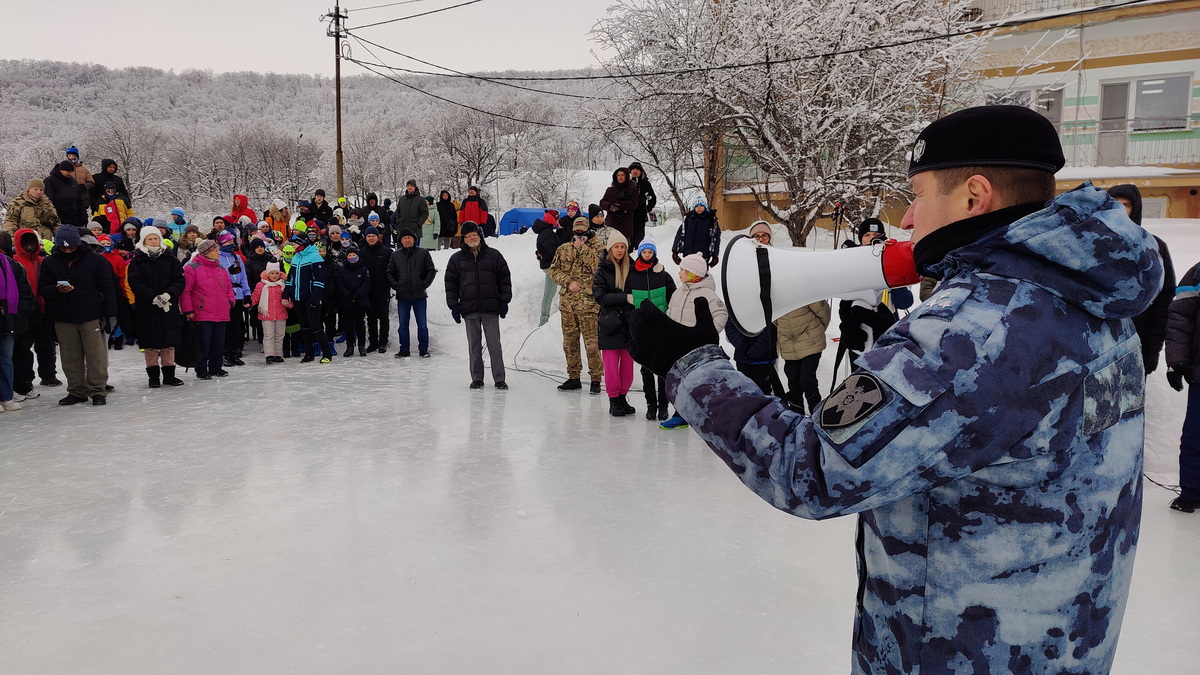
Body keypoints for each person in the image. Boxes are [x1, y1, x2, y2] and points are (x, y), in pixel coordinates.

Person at [626, 105, 1163, 674]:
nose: (907, 217)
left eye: (918, 193)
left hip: (959, 651)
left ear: (972, 197)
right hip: (1066, 636)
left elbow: (806, 468)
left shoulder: (974, 331)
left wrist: (688, 364)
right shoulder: (1093, 293)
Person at [38, 225, 117, 405]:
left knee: (96, 356)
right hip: (63, 316)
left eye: (71, 247)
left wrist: (110, 314)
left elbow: (108, 288)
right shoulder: (50, 262)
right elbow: (43, 289)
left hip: (91, 314)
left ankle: (98, 390)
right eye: (63, 247)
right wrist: (57, 290)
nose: (67, 250)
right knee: (70, 356)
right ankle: (76, 391)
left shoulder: (96, 261)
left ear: (78, 244)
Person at [1109, 184, 1175, 375]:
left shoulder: (1154, 246)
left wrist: (1153, 348)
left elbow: (1165, 298)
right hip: (1097, 345)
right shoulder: (1091, 242)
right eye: (1115, 204)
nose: (1121, 209)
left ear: (1135, 208)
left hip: (1137, 342)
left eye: (1127, 204)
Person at [659, 253, 727, 430]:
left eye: (683, 270)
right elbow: (670, 312)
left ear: (693, 273)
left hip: (698, 350)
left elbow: (721, 315)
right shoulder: (679, 292)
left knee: (699, 382)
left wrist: (706, 335)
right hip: (678, 345)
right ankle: (680, 414)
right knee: (679, 381)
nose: (679, 273)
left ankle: (707, 415)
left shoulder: (707, 294)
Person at [445, 222, 511, 389]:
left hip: (490, 307)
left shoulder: (494, 255)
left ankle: (499, 378)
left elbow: (504, 279)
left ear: (480, 236)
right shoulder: (456, 259)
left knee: (494, 345)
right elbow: (450, 284)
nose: (472, 238)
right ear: (464, 239)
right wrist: (454, 306)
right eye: (468, 236)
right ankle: (477, 378)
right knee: (474, 345)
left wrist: (504, 300)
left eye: (474, 234)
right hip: (469, 309)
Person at [548, 217, 604, 394]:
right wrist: (568, 281)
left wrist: (584, 249)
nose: (579, 234)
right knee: (570, 343)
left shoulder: (598, 248)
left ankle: (596, 379)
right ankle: (574, 377)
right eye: (576, 231)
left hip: (588, 306)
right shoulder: (563, 249)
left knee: (592, 344)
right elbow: (553, 271)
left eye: (583, 231)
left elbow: (599, 268)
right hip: (568, 305)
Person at [127, 226, 186, 388]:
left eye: (156, 238)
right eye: (150, 239)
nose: (153, 241)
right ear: (144, 241)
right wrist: (153, 297)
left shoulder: (170, 258)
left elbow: (179, 280)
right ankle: (153, 377)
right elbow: (135, 281)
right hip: (147, 308)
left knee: (168, 342)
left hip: (168, 306)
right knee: (150, 344)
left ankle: (169, 376)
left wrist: (168, 295)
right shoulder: (137, 260)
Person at [627, 241, 675, 420]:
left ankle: (664, 404)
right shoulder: (632, 276)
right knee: (646, 369)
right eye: (644, 252)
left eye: (650, 252)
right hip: (641, 328)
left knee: (662, 368)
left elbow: (674, 299)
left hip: (661, 327)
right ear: (640, 253)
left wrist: (670, 320)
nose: (647, 255)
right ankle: (651, 405)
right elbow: (627, 301)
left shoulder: (663, 275)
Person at [9, 227, 61, 394]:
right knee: (24, 349)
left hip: (43, 309)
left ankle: (48, 375)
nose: (29, 246)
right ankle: (27, 378)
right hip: (24, 311)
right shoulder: (14, 261)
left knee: (46, 346)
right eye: (25, 243)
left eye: (32, 242)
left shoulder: (43, 261)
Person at [593, 231, 637, 417]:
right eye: (616, 247)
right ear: (610, 249)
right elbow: (600, 296)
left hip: (629, 324)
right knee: (611, 366)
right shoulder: (602, 270)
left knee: (628, 367)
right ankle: (613, 400)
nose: (619, 250)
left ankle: (622, 397)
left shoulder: (633, 268)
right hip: (610, 324)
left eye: (622, 247)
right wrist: (625, 298)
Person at [181, 240, 234, 379]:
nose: (218, 253)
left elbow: (229, 288)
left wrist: (229, 302)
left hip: (221, 312)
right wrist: (188, 310)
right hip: (202, 313)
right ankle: (202, 369)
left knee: (218, 343)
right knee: (203, 343)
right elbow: (185, 291)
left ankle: (216, 367)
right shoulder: (191, 268)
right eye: (216, 250)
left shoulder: (221, 268)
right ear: (207, 252)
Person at [387, 228, 438, 358]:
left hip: (419, 295)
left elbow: (431, 271)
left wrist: (423, 285)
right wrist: (397, 286)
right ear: (401, 241)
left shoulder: (423, 253)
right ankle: (404, 349)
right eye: (404, 238)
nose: (407, 240)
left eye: (409, 237)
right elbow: (389, 273)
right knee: (403, 325)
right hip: (403, 296)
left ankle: (423, 349)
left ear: (414, 239)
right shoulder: (395, 255)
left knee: (422, 325)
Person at [0, 233, 35, 412]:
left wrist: (21, 314)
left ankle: (6, 396)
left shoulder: (11, 265)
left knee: (6, 358)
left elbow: (24, 292)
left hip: (8, 318)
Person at [285, 237, 333, 364]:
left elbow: (319, 280)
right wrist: (286, 294)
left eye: (294, 243)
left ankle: (327, 353)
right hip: (298, 298)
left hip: (310, 298)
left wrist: (315, 298)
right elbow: (290, 278)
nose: (293, 245)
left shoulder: (315, 257)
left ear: (301, 244)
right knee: (304, 327)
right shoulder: (296, 257)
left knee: (315, 326)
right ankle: (309, 353)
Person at [215, 232, 251, 367]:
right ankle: (223, 353)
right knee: (224, 327)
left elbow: (243, 277)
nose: (231, 245)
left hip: (238, 294)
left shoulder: (236, 257)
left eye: (232, 242)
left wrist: (247, 294)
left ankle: (234, 352)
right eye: (228, 243)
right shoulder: (218, 258)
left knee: (236, 327)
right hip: (224, 295)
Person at [358, 226, 392, 354]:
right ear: (365, 238)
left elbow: (391, 271)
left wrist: (388, 285)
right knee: (371, 318)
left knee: (383, 317)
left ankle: (383, 342)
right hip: (368, 291)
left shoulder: (387, 252)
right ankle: (373, 342)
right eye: (368, 236)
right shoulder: (362, 253)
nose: (371, 238)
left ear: (378, 237)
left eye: (373, 236)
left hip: (383, 290)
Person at [534, 211, 571, 326]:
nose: (557, 221)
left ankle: (544, 320)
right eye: (556, 219)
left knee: (550, 292)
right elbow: (554, 250)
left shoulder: (547, 231)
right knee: (560, 289)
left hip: (548, 265)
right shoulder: (546, 232)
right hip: (551, 266)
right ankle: (545, 321)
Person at [334, 247, 371, 357]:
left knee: (360, 324)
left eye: (353, 255)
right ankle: (350, 346)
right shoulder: (342, 269)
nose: (351, 257)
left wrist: (357, 294)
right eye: (349, 255)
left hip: (360, 300)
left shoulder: (364, 269)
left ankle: (361, 346)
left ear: (357, 256)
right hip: (347, 301)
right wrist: (348, 294)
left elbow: (366, 284)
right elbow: (340, 283)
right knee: (348, 324)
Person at [250, 262, 290, 364]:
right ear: (267, 274)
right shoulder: (261, 285)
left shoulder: (282, 285)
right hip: (267, 315)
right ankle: (269, 355)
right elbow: (255, 296)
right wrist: (249, 302)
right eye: (272, 273)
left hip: (281, 314)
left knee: (279, 335)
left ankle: (278, 354)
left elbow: (288, 298)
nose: (274, 275)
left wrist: (289, 303)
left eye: (276, 273)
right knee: (269, 335)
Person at [671, 196, 720, 267]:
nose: (699, 208)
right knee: (687, 276)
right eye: (696, 206)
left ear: (705, 206)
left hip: (703, 255)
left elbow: (716, 237)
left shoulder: (711, 219)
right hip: (688, 254)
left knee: (700, 276)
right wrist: (675, 251)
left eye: (701, 206)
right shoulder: (688, 218)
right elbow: (680, 234)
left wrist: (715, 255)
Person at [599, 168, 639, 244]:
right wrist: (610, 206)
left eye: (622, 175)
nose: (620, 177)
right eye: (618, 175)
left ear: (626, 176)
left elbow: (633, 204)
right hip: (611, 223)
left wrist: (619, 205)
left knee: (624, 249)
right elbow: (602, 202)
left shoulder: (633, 190)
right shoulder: (610, 190)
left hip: (626, 225)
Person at [44, 160, 87, 228]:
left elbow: (79, 199)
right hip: (59, 219)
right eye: (68, 171)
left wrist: (83, 215)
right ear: (61, 170)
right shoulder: (50, 180)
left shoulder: (73, 182)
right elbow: (48, 200)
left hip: (74, 219)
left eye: (71, 172)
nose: (70, 174)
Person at [628, 162, 657, 248]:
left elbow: (652, 198)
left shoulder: (645, 184)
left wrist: (648, 208)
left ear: (641, 172)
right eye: (633, 169)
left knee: (639, 241)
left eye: (637, 169)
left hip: (640, 216)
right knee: (628, 242)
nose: (635, 171)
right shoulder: (625, 183)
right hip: (627, 217)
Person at [395, 180, 429, 245]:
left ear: (415, 187)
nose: (409, 187)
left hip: (415, 231)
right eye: (408, 186)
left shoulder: (420, 200)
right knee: (402, 253)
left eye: (411, 186)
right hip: (403, 230)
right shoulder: (402, 199)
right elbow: (398, 211)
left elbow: (424, 214)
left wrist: (418, 224)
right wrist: (398, 221)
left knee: (415, 253)